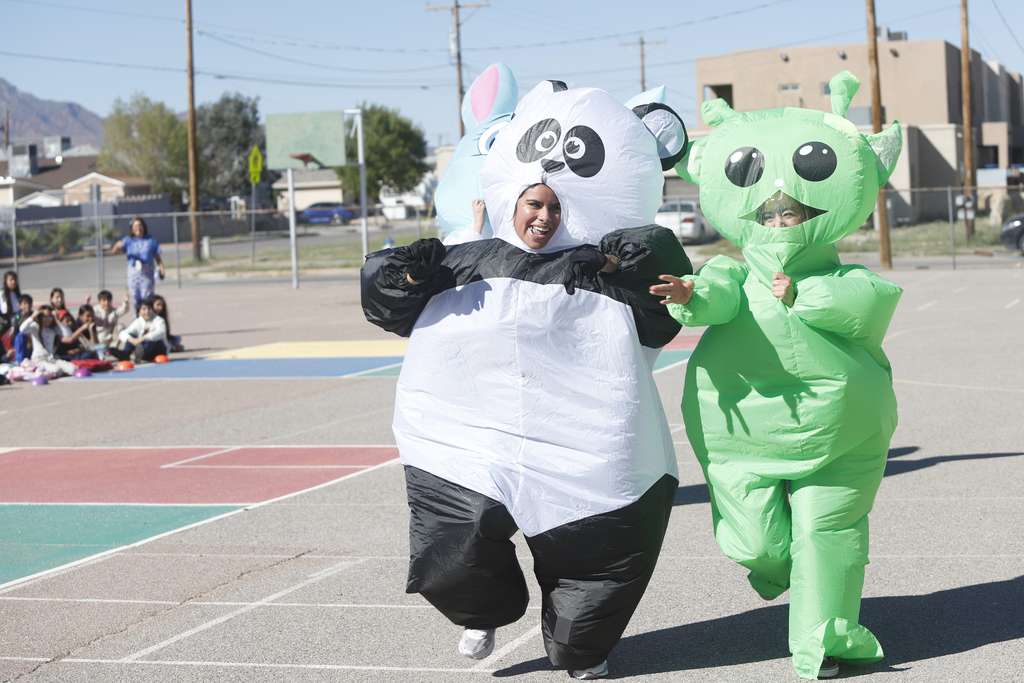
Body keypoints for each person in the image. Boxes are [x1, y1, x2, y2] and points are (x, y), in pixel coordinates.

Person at [657, 72, 902, 681]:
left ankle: (825, 643)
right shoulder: (733, 273)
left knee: (828, 536)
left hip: (840, 435)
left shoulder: (846, 280)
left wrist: (803, 296)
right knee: (758, 544)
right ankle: (774, 566)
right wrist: (689, 293)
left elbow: (866, 308)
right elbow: (715, 294)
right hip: (745, 435)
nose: (781, 200)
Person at [112, 218, 165, 312]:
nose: (138, 228)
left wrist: (162, 268)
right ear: (132, 228)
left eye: (140, 225)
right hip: (134, 273)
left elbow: (157, 256)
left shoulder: (151, 240)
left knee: (147, 297)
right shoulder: (128, 240)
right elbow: (115, 251)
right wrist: (116, 245)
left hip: (147, 273)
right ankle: (137, 319)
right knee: (135, 297)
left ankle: (148, 318)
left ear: (144, 227)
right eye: (135, 226)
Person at [113, 298, 168, 362]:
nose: (147, 311)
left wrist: (143, 338)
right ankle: (125, 354)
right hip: (143, 348)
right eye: (144, 309)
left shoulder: (158, 320)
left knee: (151, 340)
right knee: (131, 336)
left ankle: (141, 354)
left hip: (158, 350)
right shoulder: (138, 321)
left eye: (149, 308)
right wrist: (131, 339)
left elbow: (161, 332)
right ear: (139, 312)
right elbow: (123, 333)